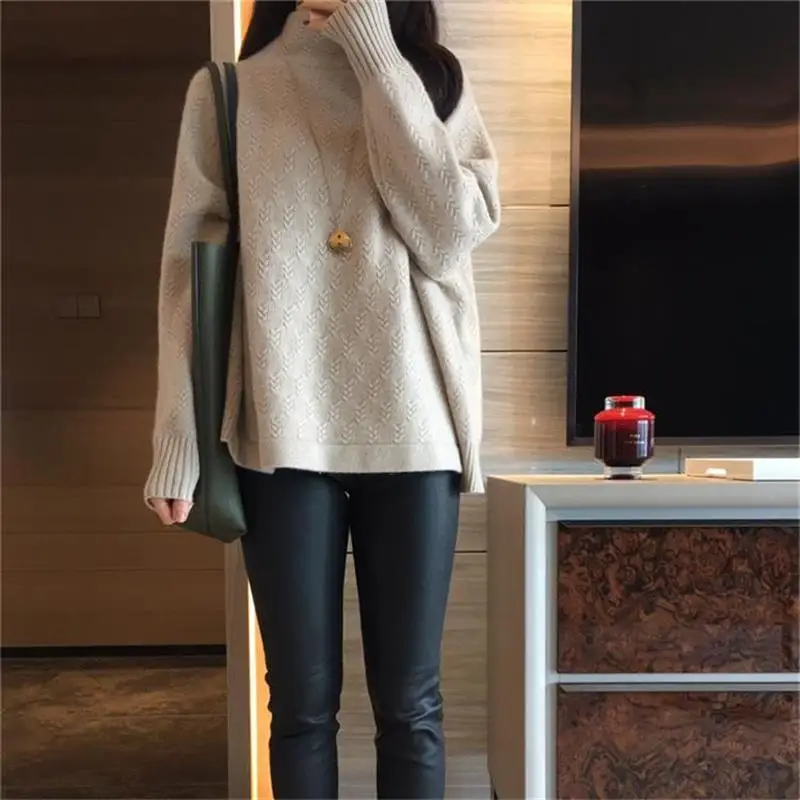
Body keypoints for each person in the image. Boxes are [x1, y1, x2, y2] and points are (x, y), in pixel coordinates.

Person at [144, 0, 500, 796]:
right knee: (301, 709)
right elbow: (187, 277)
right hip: (282, 427)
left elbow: (450, 231)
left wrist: (376, 58)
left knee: (411, 707)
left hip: (415, 431)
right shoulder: (229, 92)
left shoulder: (431, 83)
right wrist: (179, 439)